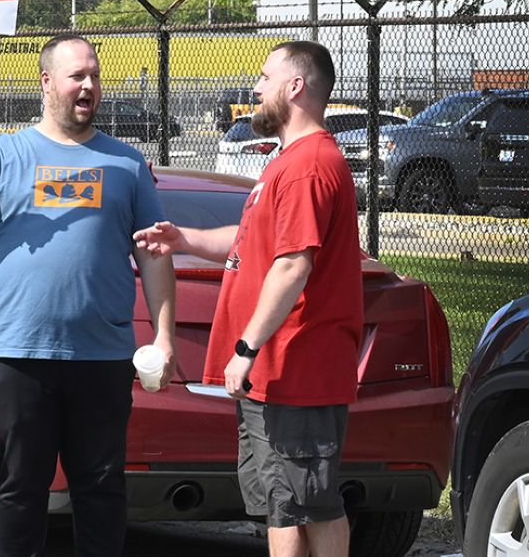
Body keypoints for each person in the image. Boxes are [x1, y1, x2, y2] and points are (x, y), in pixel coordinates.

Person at [0, 33, 176, 557]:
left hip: (101, 356)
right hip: (16, 353)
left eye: (94, 76)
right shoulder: (3, 151)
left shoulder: (127, 164)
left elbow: (155, 254)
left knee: (101, 489)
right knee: (19, 487)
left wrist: (165, 338)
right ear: (45, 82)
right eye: (76, 75)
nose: (88, 85)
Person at [134, 41, 364, 557]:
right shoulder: (285, 163)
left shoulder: (308, 166)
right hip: (274, 374)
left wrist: (247, 348)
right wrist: (183, 239)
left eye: (264, 77)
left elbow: (292, 266)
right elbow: (249, 245)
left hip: (296, 367)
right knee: (283, 506)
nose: (255, 89)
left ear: (294, 86)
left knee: (311, 502)